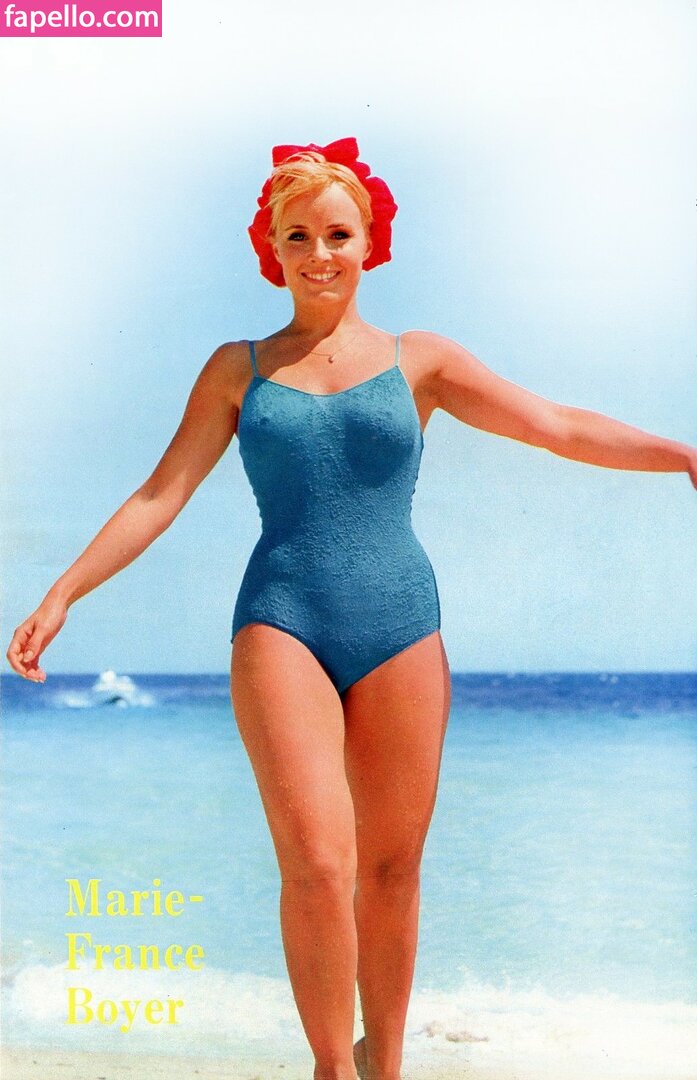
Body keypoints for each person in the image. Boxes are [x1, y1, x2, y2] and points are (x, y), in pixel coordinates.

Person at [7, 137, 697, 1080]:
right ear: (271, 247)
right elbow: (161, 494)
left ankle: (386, 1066)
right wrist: (61, 594)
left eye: (337, 233)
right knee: (318, 864)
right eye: (297, 235)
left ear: (370, 242)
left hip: (401, 624)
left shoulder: (422, 361)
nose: (319, 253)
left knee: (392, 871)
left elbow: (555, 426)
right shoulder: (236, 368)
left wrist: (682, 455)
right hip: (279, 622)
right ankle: (332, 1067)